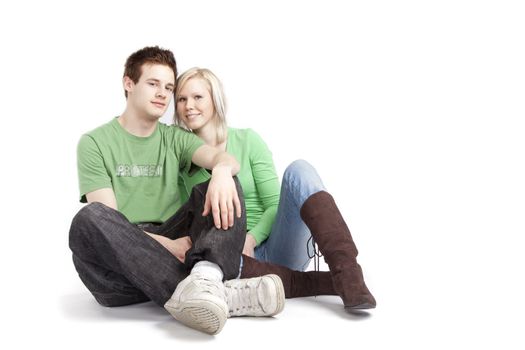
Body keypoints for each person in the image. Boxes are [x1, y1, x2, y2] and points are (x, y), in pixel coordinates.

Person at [69, 46, 285, 336]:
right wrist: (167, 246)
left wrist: (220, 171)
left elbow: (224, 159)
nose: (163, 93)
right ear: (128, 83)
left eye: (169, 87)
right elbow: (110, 221)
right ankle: (223, 293)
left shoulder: (176, 138)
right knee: (89, 218)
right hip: (123, 263)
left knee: (225, 184)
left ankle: (206, 282)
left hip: (177, 242)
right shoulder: (94, 143)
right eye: (153, 84)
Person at [174, 67, 376, 310]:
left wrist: (251, 238)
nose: (188, 106)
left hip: (277, 245)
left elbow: (273, 206)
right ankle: (320, 283)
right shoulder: (182, 163)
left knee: (299, 170)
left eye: (197, 97)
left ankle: (348, 273)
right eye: (181, 99)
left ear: (215, 100)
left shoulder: (248, 141)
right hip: (234, 261)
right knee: (208, 260)